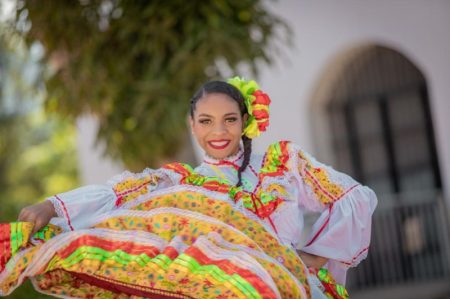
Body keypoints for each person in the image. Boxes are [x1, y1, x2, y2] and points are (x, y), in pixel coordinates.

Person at [0, 77, 377, 299]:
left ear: (245, 121)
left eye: (230, 120)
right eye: (207, 121)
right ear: (193, 125)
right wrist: (51, 205)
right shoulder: (182, 179)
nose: (218, 132)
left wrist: (313, 255)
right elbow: (118, 192)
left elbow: (352, 197)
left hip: (284, 287)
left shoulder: (282, 164)